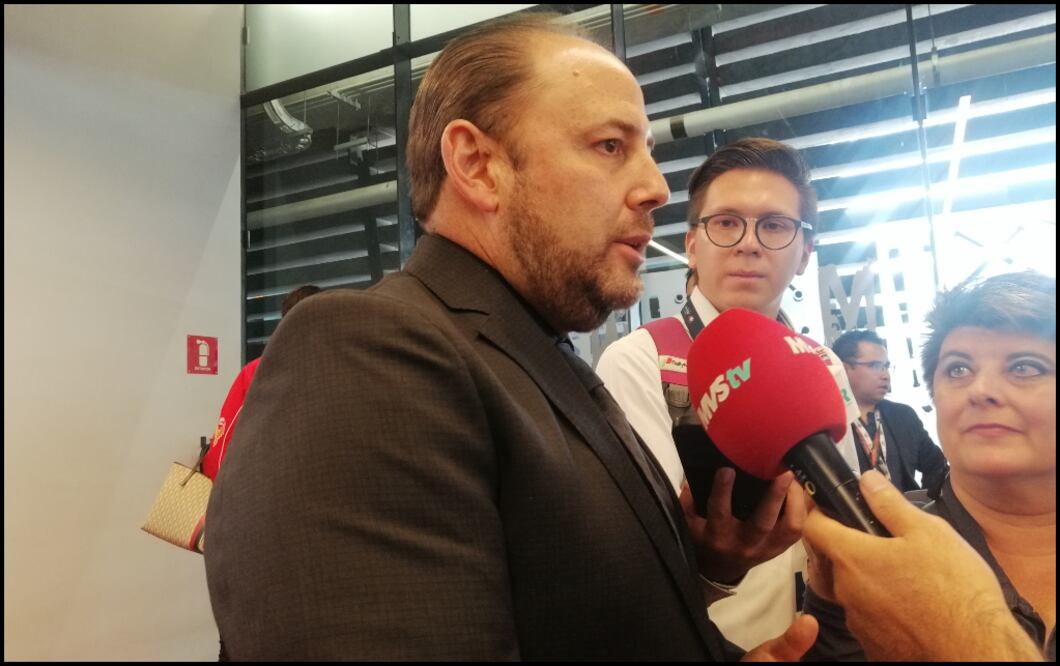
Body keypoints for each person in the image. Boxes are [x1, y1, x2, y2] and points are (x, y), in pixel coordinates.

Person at [203, 15, 816, 661]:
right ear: (478, 165)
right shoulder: (365, 350)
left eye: (649, 152)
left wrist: (710, 568)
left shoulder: (539, 358)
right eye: (611, 145)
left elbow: (580, 614)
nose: (656, 188)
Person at [596, 137, 852, 649]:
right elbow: (647, 548)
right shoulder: (642, 358)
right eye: (727, 222)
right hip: (702, 642)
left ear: (805, 253)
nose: (749, 243)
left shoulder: (822, 363)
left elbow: (840, 521)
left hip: (826, 637)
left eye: (774, 226)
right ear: (693, 245)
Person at [802, 271, 1054, 661]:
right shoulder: (873, 554)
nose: (981, 390)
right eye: (958, 369)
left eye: (1024, 367)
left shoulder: (899, 418)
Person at [200, 284, 321, 480]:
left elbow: (223, 446)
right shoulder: (342, 372)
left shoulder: (258, 371)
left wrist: (218, 487)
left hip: (267, 485)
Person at [831, 328, 948, 493]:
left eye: (886, 366)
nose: (885, 375)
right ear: (844, 369)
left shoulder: (903, 416)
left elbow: (936, 465)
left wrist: (927, 502)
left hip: (903, 508)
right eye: (875, 366)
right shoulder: (827, 423)